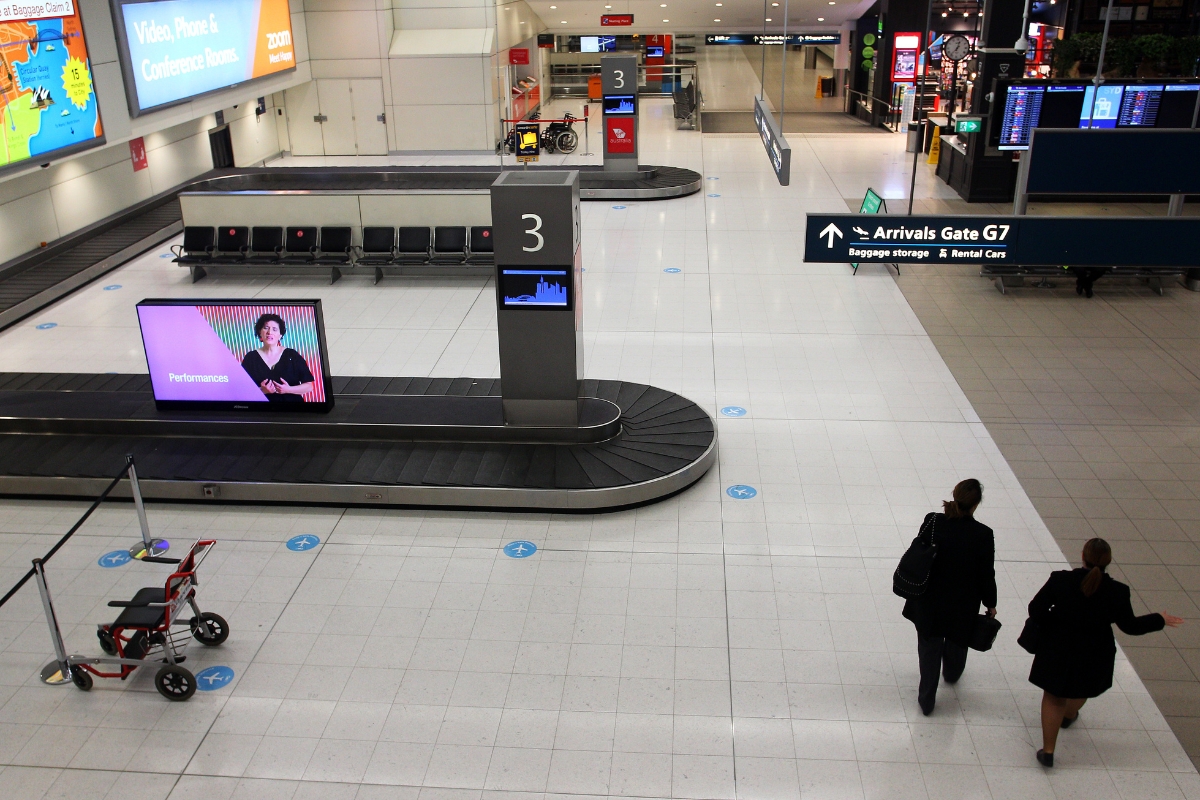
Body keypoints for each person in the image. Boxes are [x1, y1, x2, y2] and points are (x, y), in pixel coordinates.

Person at [1027, 538, 1183, 767]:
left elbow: (1035, 609)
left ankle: (1048, 751)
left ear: (1083, 555)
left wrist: (1056, 621)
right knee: (1082, 686)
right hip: (1095, 652)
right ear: (1109, 561)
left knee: (1054, 695)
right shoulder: (1118, 592)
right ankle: (1069, 716)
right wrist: (1159, 619)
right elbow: (1130, 626)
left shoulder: (1060, 580)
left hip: (1058, 647)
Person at [902, 478, 997, 716]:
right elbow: (986, 573)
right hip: (962, 603)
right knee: (957, 639)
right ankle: (952, 673)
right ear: (976, 505)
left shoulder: (933, 521)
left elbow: (921, 552)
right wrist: (991, 603)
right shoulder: (983, 534)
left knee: (929, 646)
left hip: (929, 598)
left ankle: (926, 700)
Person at [240, 313, 315, 402]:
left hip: (293, 409)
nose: (269, 332)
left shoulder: (292, 355)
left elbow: (309, 386)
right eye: (266, 328)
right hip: (260, 410)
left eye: (274, 329)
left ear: (280, 335)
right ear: (260, 332)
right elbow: (242, 389)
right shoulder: (251, 357)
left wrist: (288, 389)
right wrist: (262, 391)